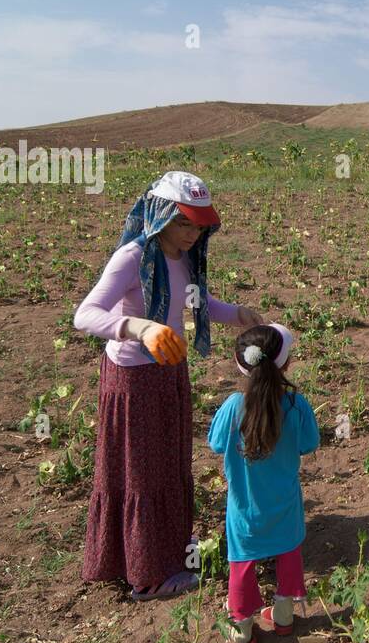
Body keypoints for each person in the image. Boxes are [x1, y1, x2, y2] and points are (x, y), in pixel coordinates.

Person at [74, 171, 265, 600]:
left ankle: (159, 554)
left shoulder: (183, 258)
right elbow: (85, 315)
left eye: (199, 225)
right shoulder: (132, 257)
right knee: (142, 472)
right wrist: (138, 327)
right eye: (184, 223)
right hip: (134, 380)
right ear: (161, 216)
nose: (193, 233)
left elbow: (196, 303)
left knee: (167, 465)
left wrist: (238, 314)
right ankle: (148, 575)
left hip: (168, 371)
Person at [208, 324, 319, 643]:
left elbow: (215, 444)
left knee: (241, 563)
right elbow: (309, 444)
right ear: (285, 364)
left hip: (244, 508)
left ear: (240, 364)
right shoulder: (297, 405)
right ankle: (284, 616)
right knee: (288, 552)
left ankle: (242, 628)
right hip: (285, 504)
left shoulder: (232, 406)